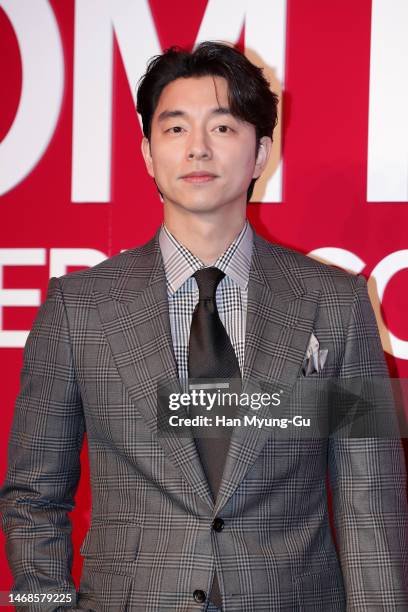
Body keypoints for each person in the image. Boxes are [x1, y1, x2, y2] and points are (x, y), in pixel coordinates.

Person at [1, 41, 407, 612]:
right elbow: (33, 497)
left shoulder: (334, 302)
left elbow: (372, 502)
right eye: (174, 129)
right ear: (146, 152)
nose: (197, 149)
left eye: (222, 128)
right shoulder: (78, 308)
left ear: (262, 152)